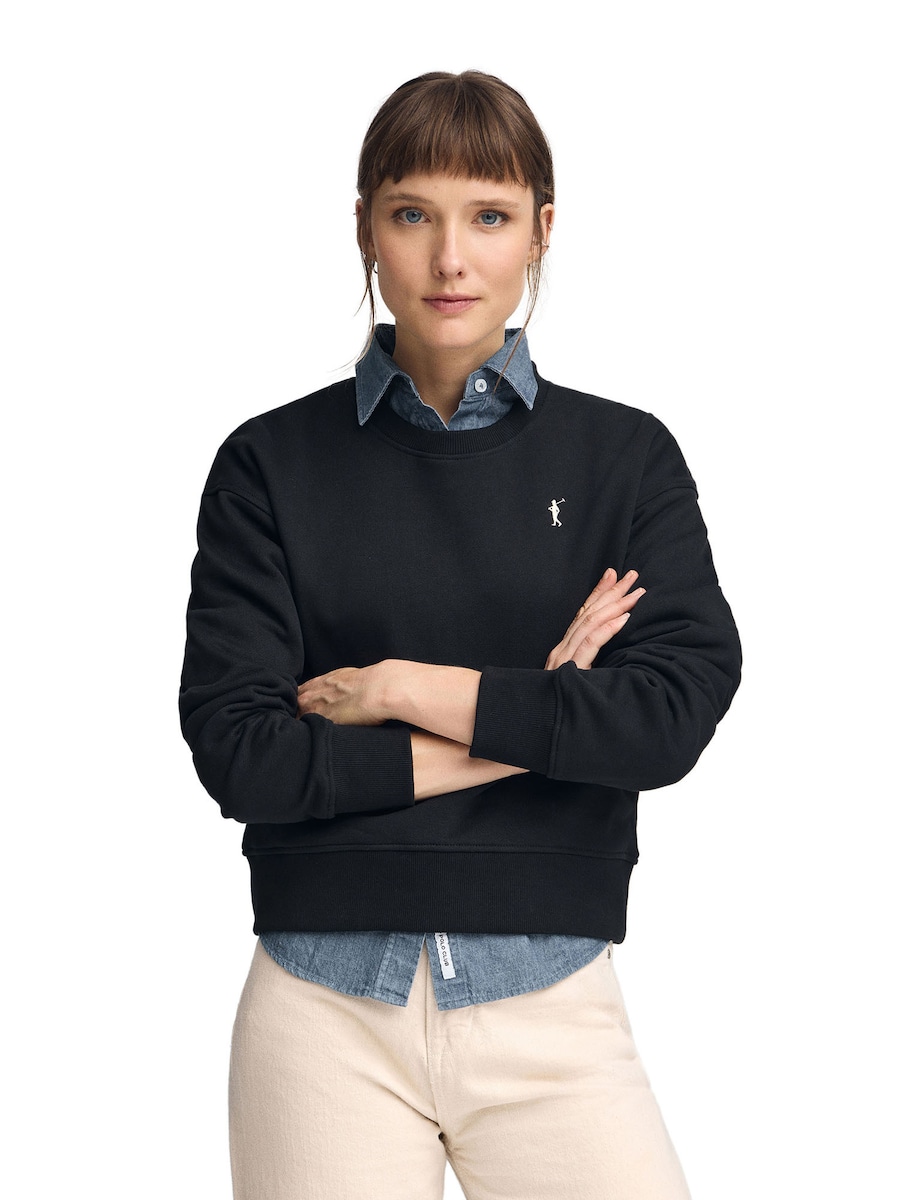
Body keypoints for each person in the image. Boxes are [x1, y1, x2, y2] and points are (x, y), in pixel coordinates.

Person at [180, 70, 741, 1200]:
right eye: (412, 214)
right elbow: (244, 755)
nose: (450, 259)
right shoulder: (268, 466)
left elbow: (667, 719)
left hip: (553, 999)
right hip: (320, 1011)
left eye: (488, 216)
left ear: (542, 229)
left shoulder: (624, 460)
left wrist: (396, 687)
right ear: (365, 228)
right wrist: (542, 706)